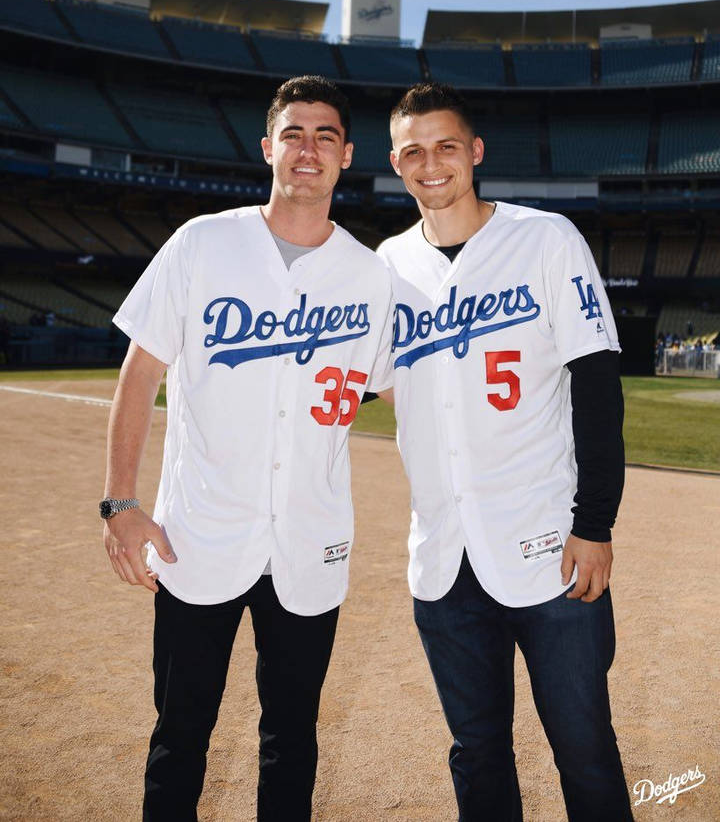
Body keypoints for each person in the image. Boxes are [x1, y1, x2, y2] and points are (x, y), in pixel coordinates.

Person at [101, 75, 393, 822]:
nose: (308, 149)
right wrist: (121, 502)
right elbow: (141, 372)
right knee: (181, 733)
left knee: (291, 736)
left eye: (325, 136)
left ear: (347, 156)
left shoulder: (370, 276)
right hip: (200, 534)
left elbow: (411, 394)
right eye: (294, 133)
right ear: (268, 148)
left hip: (311, 538)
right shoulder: (203, 243)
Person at [376, 83, 633, 821]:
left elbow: (597, 385)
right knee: (477, 752)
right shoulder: (386, 267)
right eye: (414, 151)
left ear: (475, 152)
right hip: (445, 560)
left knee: (584, 748)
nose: (432, 164)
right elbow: (350, 383)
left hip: (551, 549)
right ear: (396, 162)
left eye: (446, 146)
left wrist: (596, 522)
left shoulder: (546, 239)